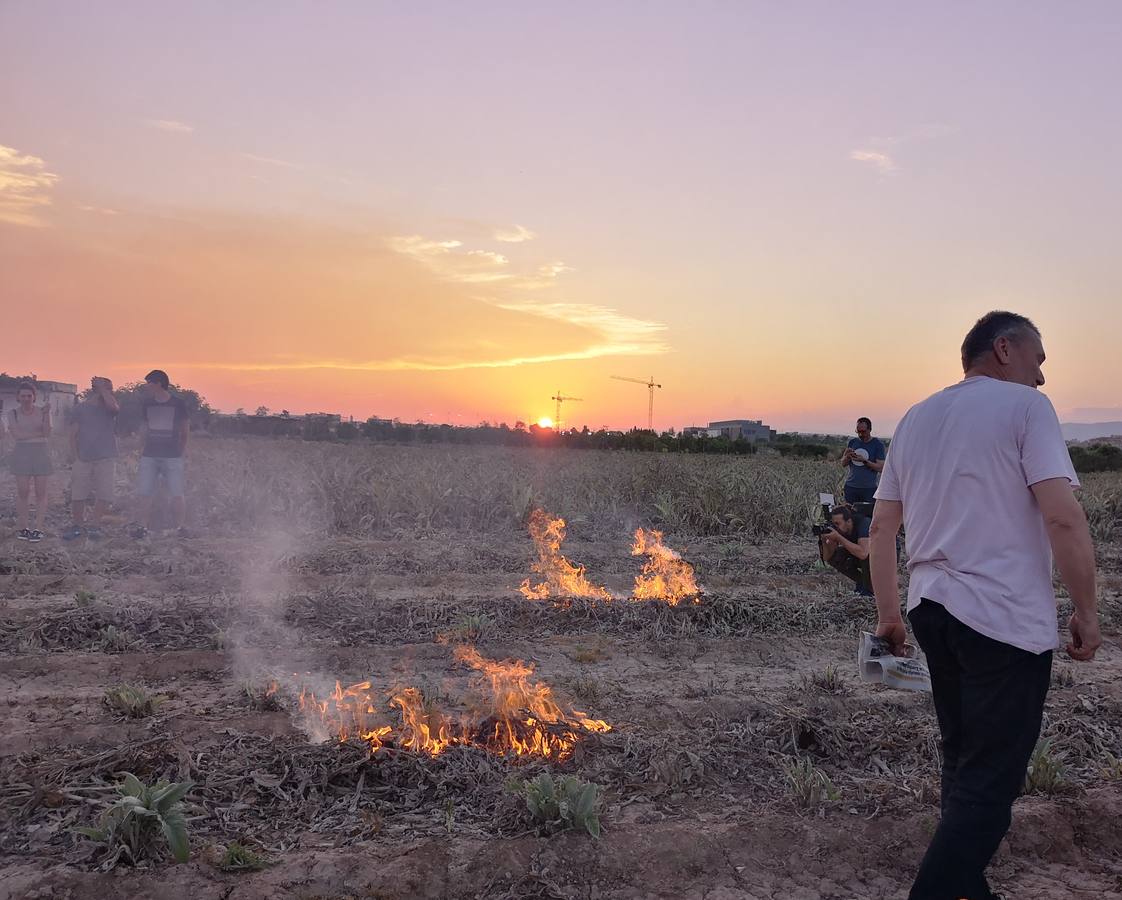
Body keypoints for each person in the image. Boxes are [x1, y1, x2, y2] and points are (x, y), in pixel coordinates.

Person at [868, 311, 1101, 900]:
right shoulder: (1026, 409)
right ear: (1004, 348)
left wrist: (890, 617)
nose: (1043, 378)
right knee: (991, 789)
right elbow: (1062, 515)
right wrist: (1087, 611)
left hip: (931, 611)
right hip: (1001, 619)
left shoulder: (915, 419)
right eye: (1039, 361)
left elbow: (882, 529)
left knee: (963, 760)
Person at [132, 370, 189, 538]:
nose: (146, 386)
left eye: (149, 382)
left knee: (177, 492)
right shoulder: (147, 404)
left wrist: (181, 452)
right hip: (149, 455)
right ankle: (142, 528)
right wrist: (141, 449)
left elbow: (185, 429)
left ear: (158, 383)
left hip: (172, 455)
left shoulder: (178, 404)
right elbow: (144, 428)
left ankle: (180, 528)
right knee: (145, 492)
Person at [63, 377, 120, 541]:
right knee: (78, 493)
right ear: (98, 389)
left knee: (104, 492)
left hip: (106, 455)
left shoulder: (110, 407)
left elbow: (114, 408)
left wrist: (104, 391)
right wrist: (75, 456)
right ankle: (77, 525)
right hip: (84, 456)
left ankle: (95, 525)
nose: (111, 392)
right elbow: (73, 434)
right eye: (109, 389)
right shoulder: (81, 409)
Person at [6, 382, 52, 542]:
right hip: (22, 452)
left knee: (41, 492)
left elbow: (46, 433)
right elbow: (17, 436)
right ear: (18, 397)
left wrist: (46, 416)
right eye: (23, 396)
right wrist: (36, 433)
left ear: (34, 397)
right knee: (23, 491)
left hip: (41, 451)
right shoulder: (12, 413)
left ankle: (38, 528)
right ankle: (23, 527)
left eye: (29, 396)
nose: (26, 399)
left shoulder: (43, 411)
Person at [818, 505, 873, 596]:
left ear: (848, 521)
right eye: (833, 523)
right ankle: (864, 584)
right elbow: (827, 557)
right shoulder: (839, 530)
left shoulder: (864, 523)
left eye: (837, 523)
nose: (835, 527)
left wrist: (838, 537)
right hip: (861, 554)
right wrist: (824, 540)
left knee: (865, 557)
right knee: (836, 557)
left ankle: (870, 589)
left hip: (884, 556)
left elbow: (863, 553)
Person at [840, 417, 886, 505]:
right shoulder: (852, 442)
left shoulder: (878, 445)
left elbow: (881, 468)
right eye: (858, 431)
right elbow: (843, 463)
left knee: (866, 517)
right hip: (851, 487)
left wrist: (864, 461)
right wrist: (847, 457)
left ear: (870, 429)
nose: (861, 434)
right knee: (849, 516)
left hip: (868, 489)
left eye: (863, 431)